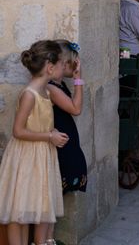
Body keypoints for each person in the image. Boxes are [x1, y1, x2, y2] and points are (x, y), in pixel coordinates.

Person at [0, 40, 69, 245]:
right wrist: (49, 136)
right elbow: (18, 130)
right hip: (26, 156)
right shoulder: (29, 95)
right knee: (18, 208)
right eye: (61, 64)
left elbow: (39, 123)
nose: (63, 68)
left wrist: (51, 131)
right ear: (50, 67)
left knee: (39, 203)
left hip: (41, 154)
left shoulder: (46, 92)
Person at [44, 40, 88, 244]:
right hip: (57, 144)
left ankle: (49, 239)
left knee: (56, 198)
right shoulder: (52, 88)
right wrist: (79, 80)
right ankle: (45, 239)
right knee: (51, 198)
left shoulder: (59, 84)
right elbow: (75, 109)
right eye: (71, 62)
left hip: (65, 139)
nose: (74, 65)